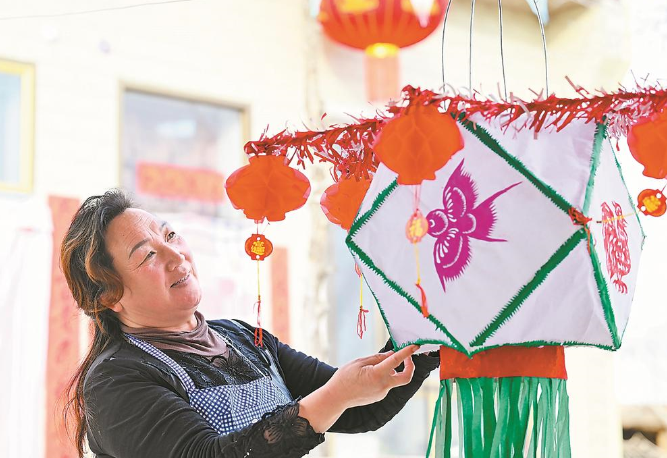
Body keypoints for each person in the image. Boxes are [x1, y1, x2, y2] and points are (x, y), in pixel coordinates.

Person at [62, 189, 440, 458]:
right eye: (147, 256)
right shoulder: (115, 380)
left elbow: (361, 408)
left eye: (170, 235)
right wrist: (336, 395)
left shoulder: (243, 336)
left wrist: (426, 331)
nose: (176, 256)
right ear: (108, 297)